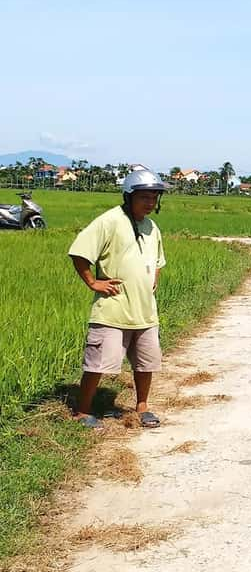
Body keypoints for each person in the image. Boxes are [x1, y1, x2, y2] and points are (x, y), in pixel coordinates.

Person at [67, 167, 169, 429]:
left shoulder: (151, 226)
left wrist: (153, 276)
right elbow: (79, 252)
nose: (150, 202)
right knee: (97, 363)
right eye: (144, 197)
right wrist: (93, 281)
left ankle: (142, 407)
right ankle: (83, 411)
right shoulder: (109, 221)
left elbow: (158, 259)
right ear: (129, 196)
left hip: (145, 310)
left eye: (154, 197)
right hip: (112, 309)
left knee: (146, 363)